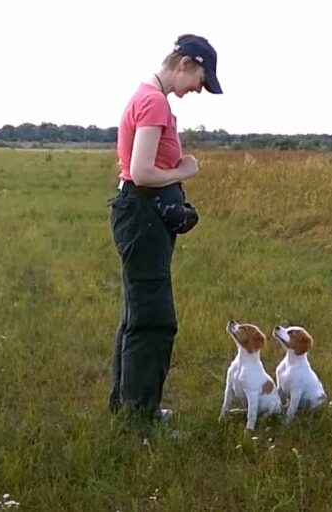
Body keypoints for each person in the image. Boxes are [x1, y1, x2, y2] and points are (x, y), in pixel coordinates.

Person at [107, 34, 222, 423]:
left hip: (140, 215)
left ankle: (125, 407)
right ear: (185, 64)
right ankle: (140, 416)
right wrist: (183, 170)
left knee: (137, 312)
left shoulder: (148, 97)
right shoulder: (154, 102)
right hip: (142, 216)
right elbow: (140, 172)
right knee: (154, 318)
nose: (197, 90)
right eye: (200, 81)